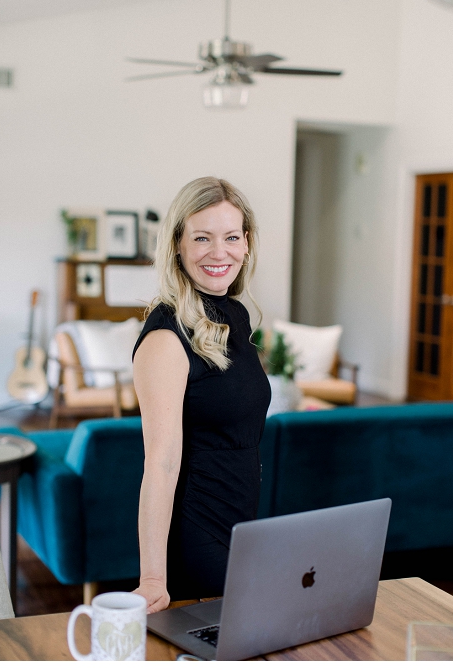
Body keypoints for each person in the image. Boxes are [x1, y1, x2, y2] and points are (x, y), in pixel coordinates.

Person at [132, 177, 270, 613]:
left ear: (246, 243)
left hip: (241, 523)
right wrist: (153, 577)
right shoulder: (166, 337)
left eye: (231, 237)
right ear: (177, 244)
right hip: (197, 531)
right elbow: (161, 461)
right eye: (202, 238)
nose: (219, 252)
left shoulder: (235, 315)